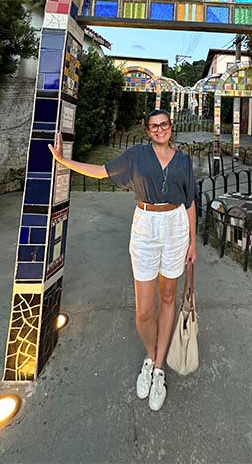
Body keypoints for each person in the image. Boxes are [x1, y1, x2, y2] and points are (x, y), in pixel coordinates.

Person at [48, 109, 197, 411]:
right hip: (145, 226)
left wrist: (193, 241)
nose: (159, 129)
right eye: (154, 126)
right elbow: (101, 171)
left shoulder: (183, 159)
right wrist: (63, 161)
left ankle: (158, 368)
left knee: (168, 296)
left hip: (176, 225)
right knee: (144, 312)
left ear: (171, 127)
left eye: (164, 124)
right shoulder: (136, 156)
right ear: (147, 130)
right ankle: (151, 354)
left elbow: (190, 200)